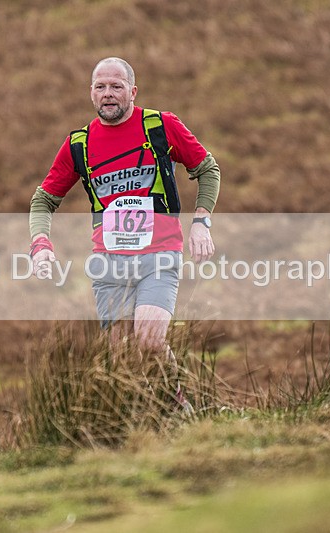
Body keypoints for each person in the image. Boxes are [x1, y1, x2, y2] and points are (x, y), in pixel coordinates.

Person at [29, 57, 221, 357]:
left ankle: (178, 389)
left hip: (159, 254)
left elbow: (207, 169)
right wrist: (40, 244)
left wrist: (201, 222)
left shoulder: (161, 126)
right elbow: (44, 199)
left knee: (149, 341)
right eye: (100, 87)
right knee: (120, 355)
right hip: (108, 262)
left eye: (116, 86)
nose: (107, 93)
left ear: (132, 92)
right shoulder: (78, 144)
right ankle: (162, 389)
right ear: (91, 93)